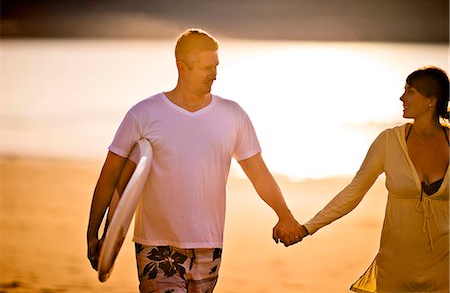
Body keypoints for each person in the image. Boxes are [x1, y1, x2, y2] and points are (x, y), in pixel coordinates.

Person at [86, 28, 303, 293]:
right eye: (206, 68)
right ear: (182, 67)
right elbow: (109, 176)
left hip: (209, 245)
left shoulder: (232, 115)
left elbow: (259, 174)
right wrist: (93, 234)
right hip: (157, 244)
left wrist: (285, 216)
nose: (214, 75)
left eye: (216, 66)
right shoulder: (144, 114)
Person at [297, 66, 449, 292]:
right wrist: (307, 228)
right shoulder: (389, 142)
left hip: (444, 269)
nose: (401, 97)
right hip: (395, 268)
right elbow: (353, 192)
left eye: (410, 91)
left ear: (431, 100)